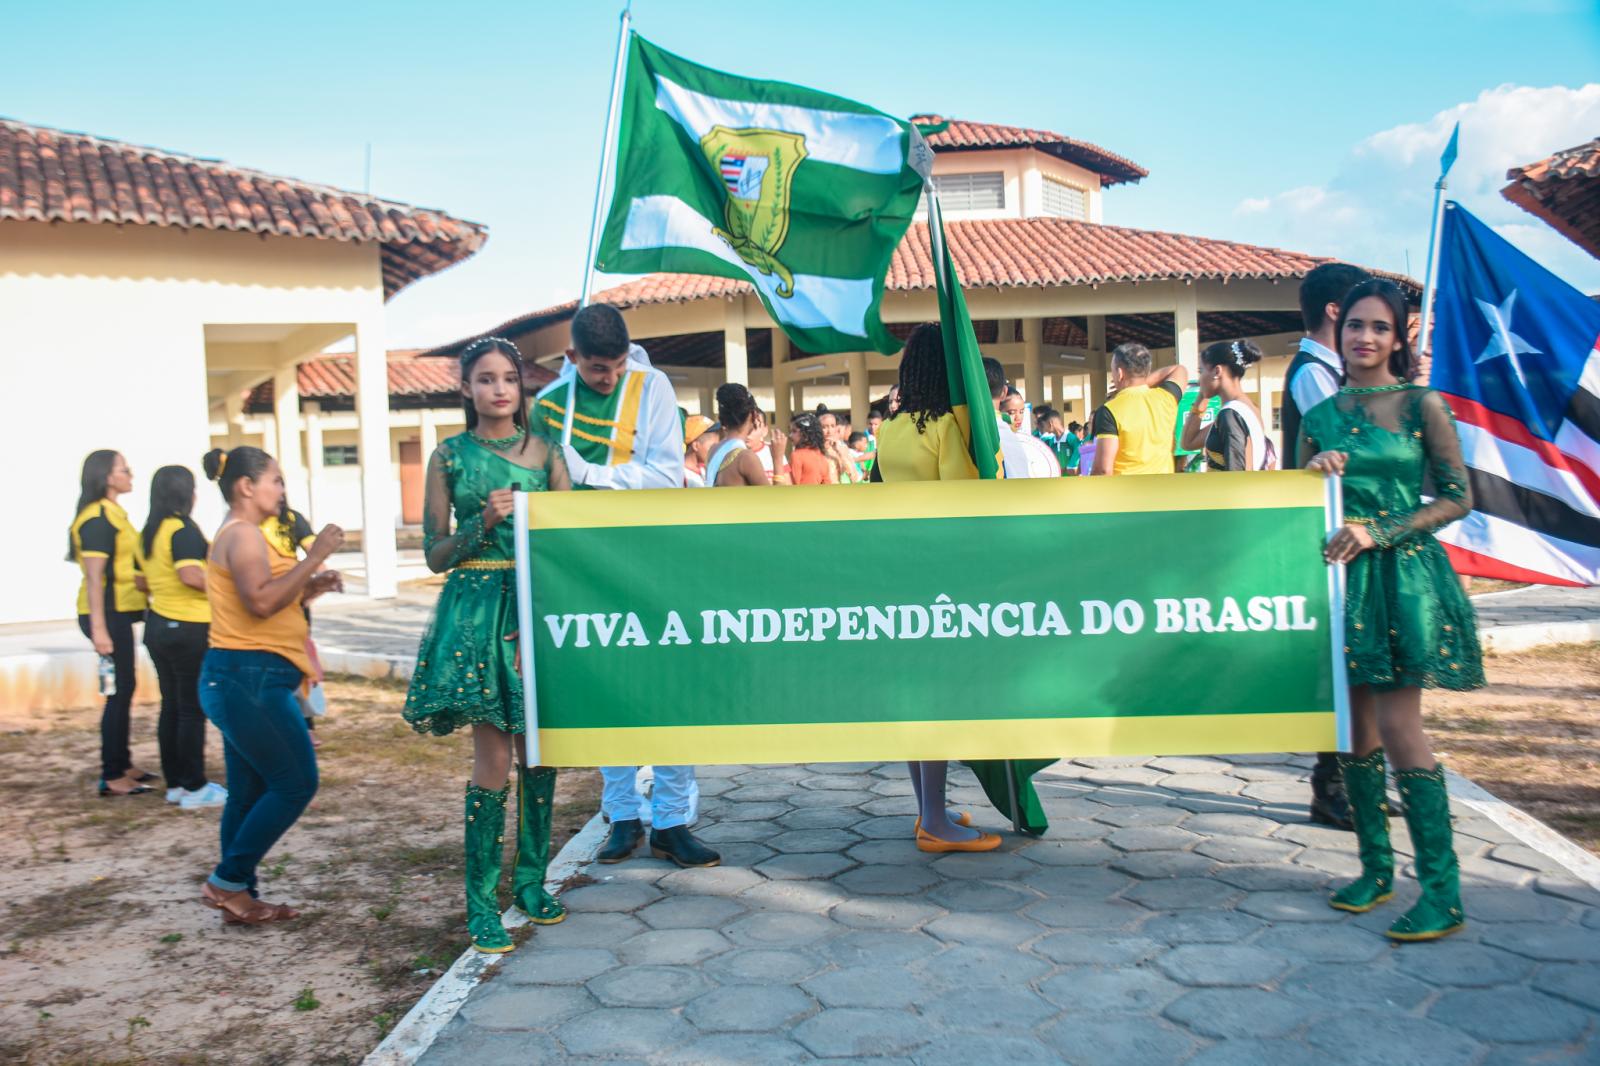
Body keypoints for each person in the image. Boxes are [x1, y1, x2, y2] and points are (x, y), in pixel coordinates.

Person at [1301, 278, 1480, 942]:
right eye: (1354, 325)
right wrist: (1314, 473)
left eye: (1379, 327)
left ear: (1398, 335)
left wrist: (1383, 528)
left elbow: (1459, 496)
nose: (1364, 337)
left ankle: (1443, 890)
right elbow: (1298, 511)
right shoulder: (1321, 415)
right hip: (1342, 585)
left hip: (1403, 579)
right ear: (1337, 329)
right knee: (1354, 730)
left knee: (1403, 727)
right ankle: (1375, 871)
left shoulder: (1421, 403)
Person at [536, 304, 720, 869]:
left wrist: (588, 474)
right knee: (603, 685)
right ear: (572, 358)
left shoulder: (653, 385)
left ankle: (670, 820)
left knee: (669, 682)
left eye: (616, 365)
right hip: (582, 563)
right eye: (596, 369)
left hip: (655, 555)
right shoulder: (547, 406)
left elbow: (665, 475)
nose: (608, 377)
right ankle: (620, 814)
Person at [404, 336, 571, 953]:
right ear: (467, 389)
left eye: (508, 378)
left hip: (533, 610)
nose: (498, 389)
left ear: (521, 386)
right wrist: (486, 522)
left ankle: (531, 881)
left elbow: (567, 545)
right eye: (484, 379)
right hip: (475, 617)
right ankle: (480, 903)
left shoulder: (547, 454)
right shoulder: (449, 456)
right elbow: (434, 554)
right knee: (494, 759)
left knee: (540, 752)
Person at [197, 446, 343, 925]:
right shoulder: (242, 536)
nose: (282, 490)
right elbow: (260, 603)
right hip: (248, 677)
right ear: (246, 486)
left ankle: (239, 896)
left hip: (249, 675)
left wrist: (313, 585)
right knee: (297, 782)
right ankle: (226, 879)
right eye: (275, 481)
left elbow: (272, 597)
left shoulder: (253, 537)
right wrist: (316, 554)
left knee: (249, 792)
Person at [876, 323, 1003, 854]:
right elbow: (969, 499)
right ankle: (935, 822)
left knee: (915, 695)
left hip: (899, 573)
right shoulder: (945, 427)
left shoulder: (892, 429)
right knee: (937, 699)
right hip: (941, 580)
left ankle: (928, 809)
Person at [1286, 262, 1372, 831]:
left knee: (1364, 664)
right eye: (1360, 316)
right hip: (1334, 539)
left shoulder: (1334, 373)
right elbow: (1344, 449)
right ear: (1336, 314)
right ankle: (1334, 785)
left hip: (1362, 535)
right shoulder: (1314, 375)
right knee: (1340, 662)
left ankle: (1361, 779)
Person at [141, 465, 226, 809]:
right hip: (189, 627)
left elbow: (140, 580)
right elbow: (191, 574)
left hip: (159, 625)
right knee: (191, 710)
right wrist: (227, 591)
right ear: (185, 494)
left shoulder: (150, 532)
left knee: (172, 707)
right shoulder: (183, 529)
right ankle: (194, 787)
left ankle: (176, 784)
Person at [69, 449, 153, 796]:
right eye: (124, 469)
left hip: (119, 613)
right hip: (104, 614)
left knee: (126, 688)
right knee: (117, 694)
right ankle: (111, 774)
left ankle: (123, 762)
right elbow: (95, 579)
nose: (130, 474)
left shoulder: (116, 514)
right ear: (106, 476)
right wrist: (100, 631)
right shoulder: (97, 518)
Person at [262, 498, 325, 742]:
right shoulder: (246, 528)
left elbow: (314, 553)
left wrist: (317, 583)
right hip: (269, 602)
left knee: (300, 662)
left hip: (294, 600)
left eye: (279, 482)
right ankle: (279, 723)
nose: (278, 490)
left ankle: (306, 723)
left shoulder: (292, 519)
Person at [1090, 344, 1191, 475]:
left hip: (1127, 492)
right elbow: (1179, 370)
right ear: (1146, 370)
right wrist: (1142, 382)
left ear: (1120, 373)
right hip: (1163, 490)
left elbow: (1103, 469)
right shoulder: (1166, 398)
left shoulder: (1109, 410)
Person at [1180, 341, 1276, 471]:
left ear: (1217, 371)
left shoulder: (1231, 414)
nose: (1199, 379)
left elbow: (1236, 473)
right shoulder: (1248, 408)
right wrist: (1202, 397)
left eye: (1201, 371)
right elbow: (1188, 442)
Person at [706, 383, 772, 488]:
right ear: (754, 415)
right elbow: (774, 499)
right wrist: (777, 460)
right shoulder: (746, 458)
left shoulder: (713, 450)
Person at [984, 358, 1032, 479]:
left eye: (1021, 411)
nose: (1017, 417)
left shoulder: (962, 432)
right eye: (1012, 412)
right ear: (1004, 392)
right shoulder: (1009, 438)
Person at [818, 409, 863, 484]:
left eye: (832, 426)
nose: (829, 431)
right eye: (824, 427)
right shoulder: (813, 449)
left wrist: (840, 452)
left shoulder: (842, 448)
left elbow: (854, 477)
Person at [787, 413, 833, 485]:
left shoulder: (796, 455)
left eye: (794, 431)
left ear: (806, 434)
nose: (790, 435)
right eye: (790, 431)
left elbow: (793, 485)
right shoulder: (822, 456)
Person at [683, 415, 721, 489]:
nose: (716, 451)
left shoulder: (706, 470)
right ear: (696, 446)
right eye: (712, 447)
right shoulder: (681, 476)